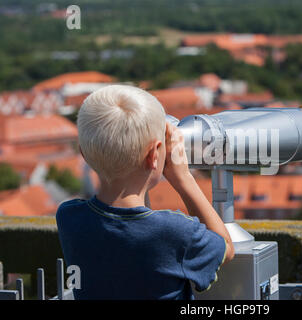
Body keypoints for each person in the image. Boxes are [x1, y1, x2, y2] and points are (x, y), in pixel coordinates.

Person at [56, 84, 234, 299]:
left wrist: (152, 157)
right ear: (154, 155)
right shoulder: (177, 232)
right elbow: (225, 248)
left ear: (83, 154)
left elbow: (133, 230)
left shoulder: (69, 218)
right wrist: (184, 178)